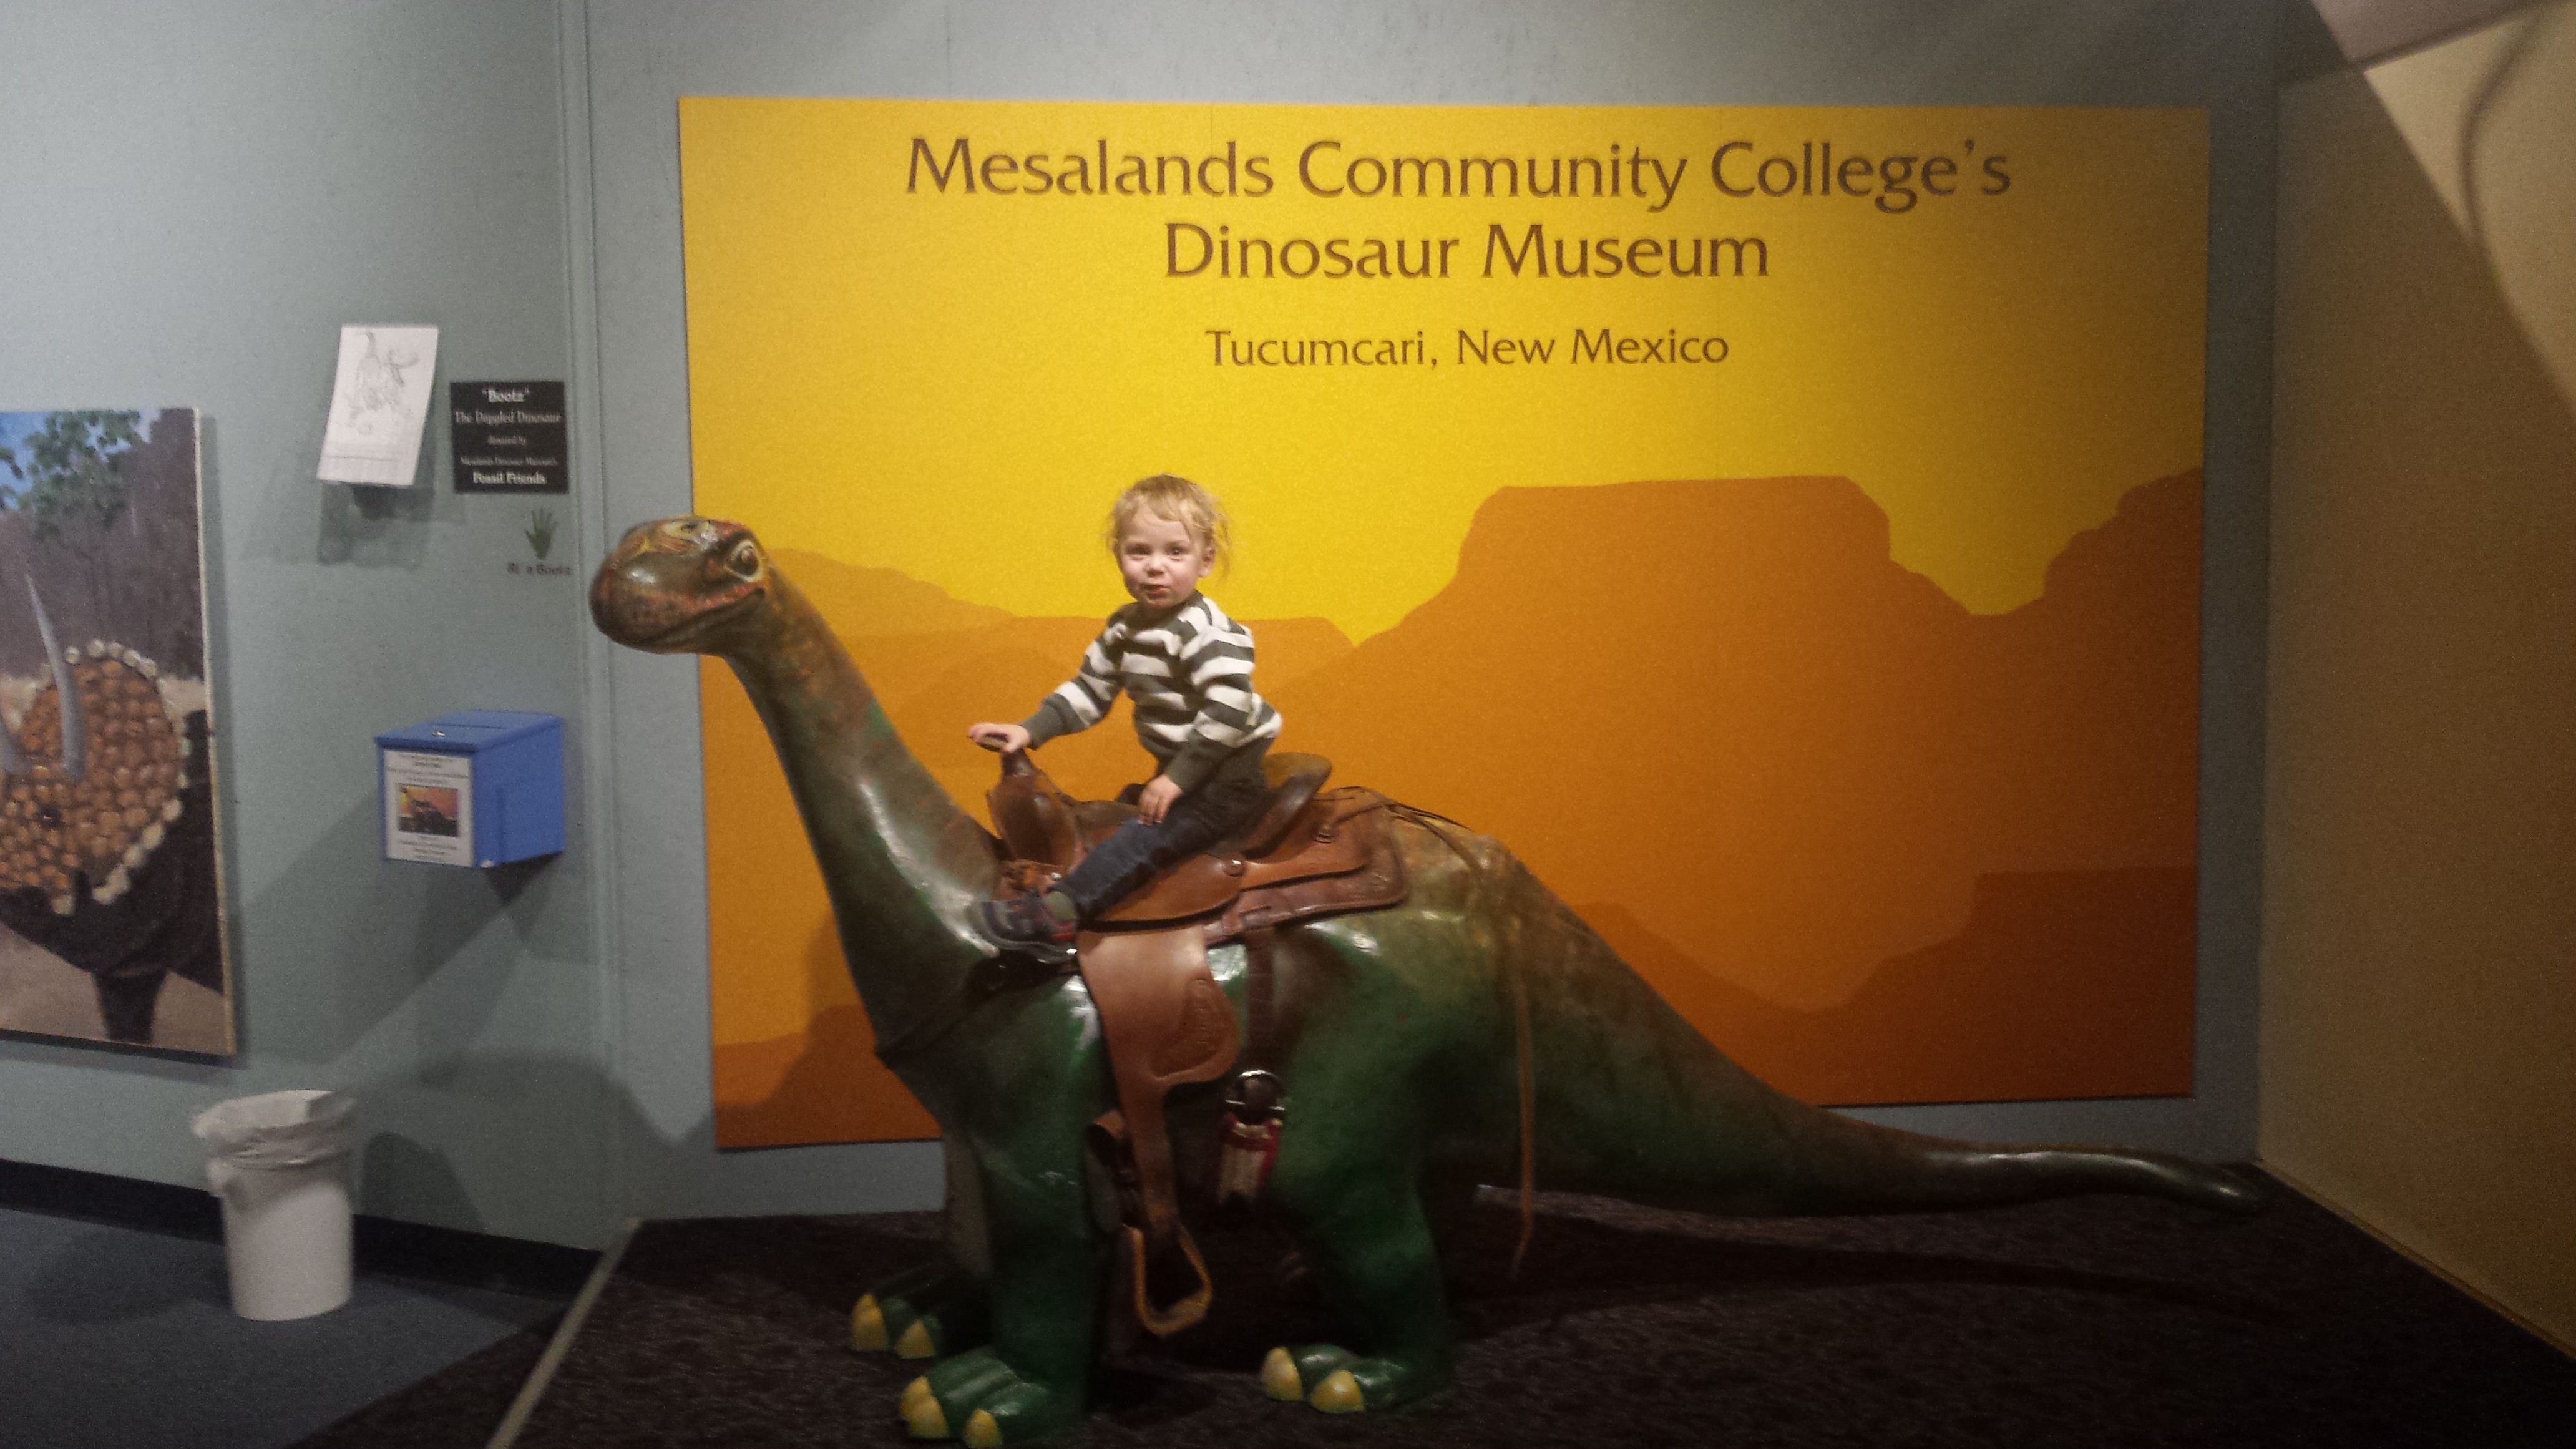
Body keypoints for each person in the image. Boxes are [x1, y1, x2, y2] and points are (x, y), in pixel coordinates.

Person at [968, 474, 1282, 955]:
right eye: (1140, 552)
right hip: (1183, 769)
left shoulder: (1208, 633)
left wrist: (1177, 779)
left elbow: (1228, 711)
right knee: (1108, 819)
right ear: (1119, 556)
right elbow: (1090, 690)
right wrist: (1029, 729)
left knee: (1141, 840)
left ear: (1205, 560)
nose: (1156, 567)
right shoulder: (1124, 630)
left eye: (1175, 552)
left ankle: (1059, 915)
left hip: (1224, 779)